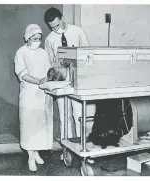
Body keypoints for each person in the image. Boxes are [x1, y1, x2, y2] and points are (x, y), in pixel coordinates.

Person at [44, 7, 96, 154]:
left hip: (77, 82)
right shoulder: (49, 39)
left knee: (79, 115)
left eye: (57, 25)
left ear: (62, 18)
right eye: (51, 27)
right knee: (64, 117)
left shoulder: (77, 32)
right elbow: (51, 62)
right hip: (61, 82)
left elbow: (87, 54)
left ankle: (82, 147)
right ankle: (67, 149)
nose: (55, 29)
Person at [14, 24, 61, 172]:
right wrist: (38, 81)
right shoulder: (21, 52)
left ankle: (36, 153)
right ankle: (30, 156)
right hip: (29, 94)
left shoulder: (43, 53)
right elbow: (22, 74)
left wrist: (51, 78)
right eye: (34, 38)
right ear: (28, 38)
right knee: (30, 126)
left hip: (43, 94)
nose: (37, 41)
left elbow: (48, 71)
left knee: (41, 125)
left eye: (39, 38)